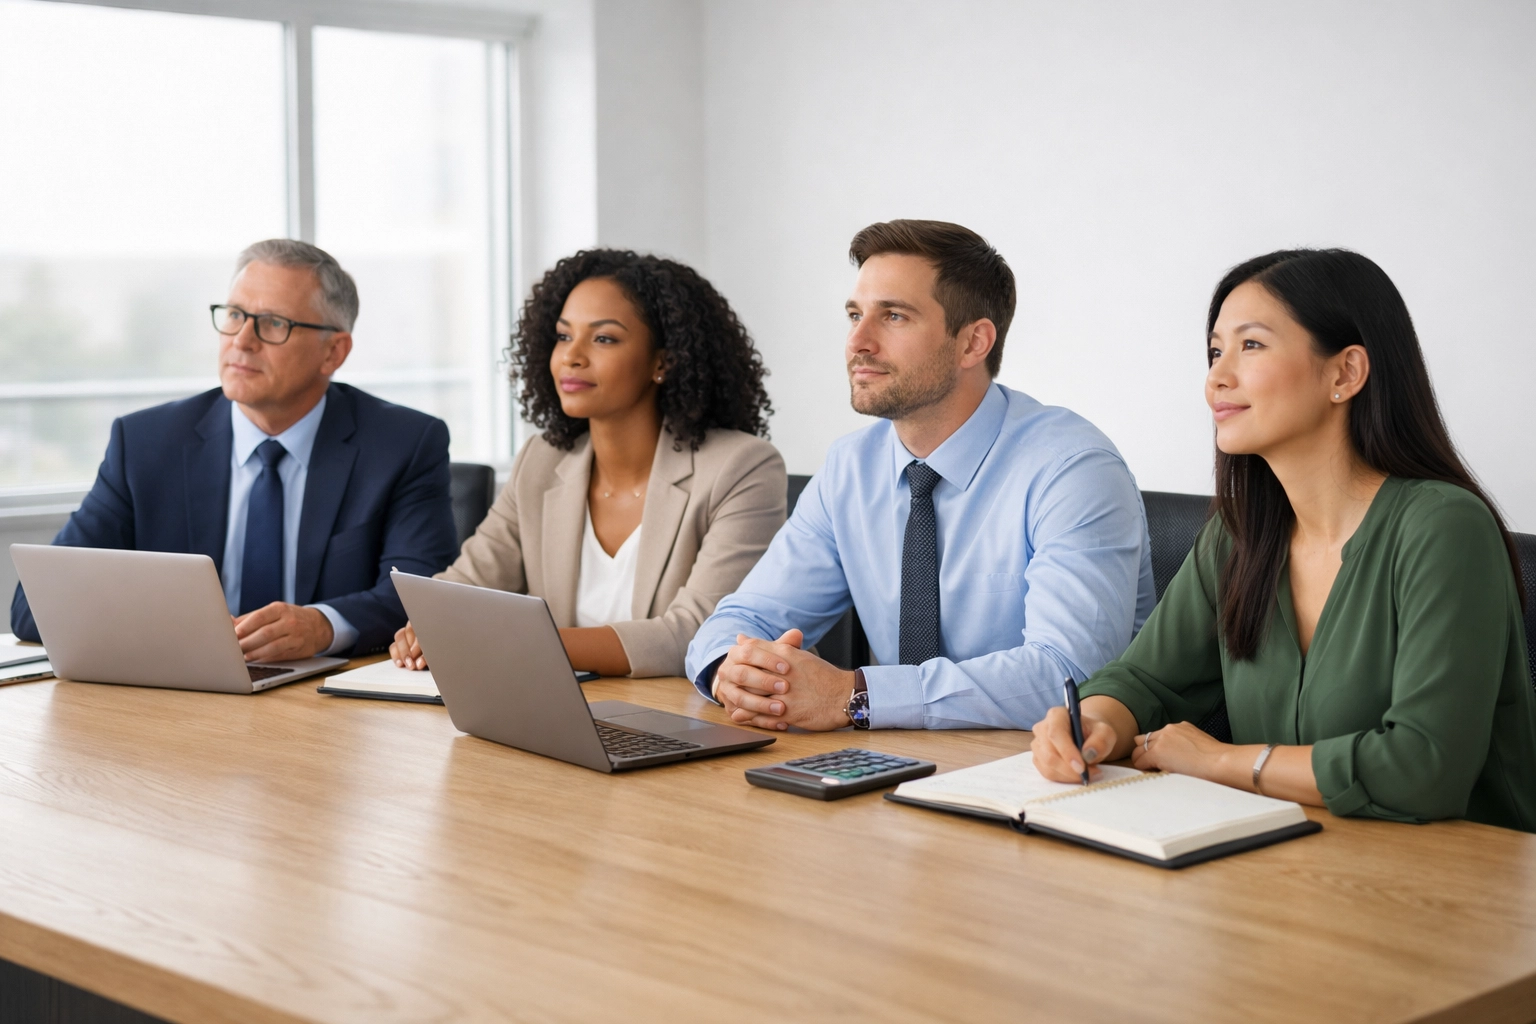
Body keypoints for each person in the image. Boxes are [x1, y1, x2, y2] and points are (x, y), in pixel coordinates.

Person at [1031, 249, 1536, 832]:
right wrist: (1093, 723)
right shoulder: (1239, 534)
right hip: (1294, 869)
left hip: (1460, 888)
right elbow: (1146, 681)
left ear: (1345, 373)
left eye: (1251, 345)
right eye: (1216, 351)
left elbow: (1425, 769)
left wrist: (1220, 762)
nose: (1217, 377)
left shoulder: (1444, 527)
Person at [685, 219, 1156, 731]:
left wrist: (854, 695)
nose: (858, 342)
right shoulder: (850, 468)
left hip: (1047, 776)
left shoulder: (1073, 470)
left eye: (893, 316)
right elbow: (744, 621)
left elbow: (1067, 675)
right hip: (893, 769)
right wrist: (732, 674)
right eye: (853, 315)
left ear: (973, 343)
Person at [9, 239, 459, 660]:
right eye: (234, 315)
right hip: (181, 699)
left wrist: (324, 625)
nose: (242, 340)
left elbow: (419, 599)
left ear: (333, 352)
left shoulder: (403, 445)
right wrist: (180, 631)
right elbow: (33, 608)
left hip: (331, 711)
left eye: (273, 324)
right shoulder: (146, 444)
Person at [389, 249, 785, 678]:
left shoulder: (742, 467)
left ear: (663, 361)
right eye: (563, 336)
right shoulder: (542, 460)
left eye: (604, 339)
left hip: (690, 719)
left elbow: (696, 634)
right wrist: (429, 625)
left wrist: (514, 638)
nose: (571, 356)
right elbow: (467, 584)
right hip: (569, 711)